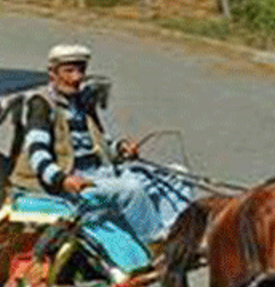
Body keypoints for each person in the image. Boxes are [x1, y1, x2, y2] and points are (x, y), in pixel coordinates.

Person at [10, 44, 190, 244]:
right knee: (130, 189)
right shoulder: (42, 104)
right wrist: (62, 179)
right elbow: (37, 152)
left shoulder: (81, 103)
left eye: (80, 70)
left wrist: (121, 149)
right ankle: (154, 243)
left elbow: (100, 143)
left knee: (176, 175)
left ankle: (177, 233)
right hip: (69, 180)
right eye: (69, 71)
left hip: (101, 172)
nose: (76, 77)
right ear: (52, 73)